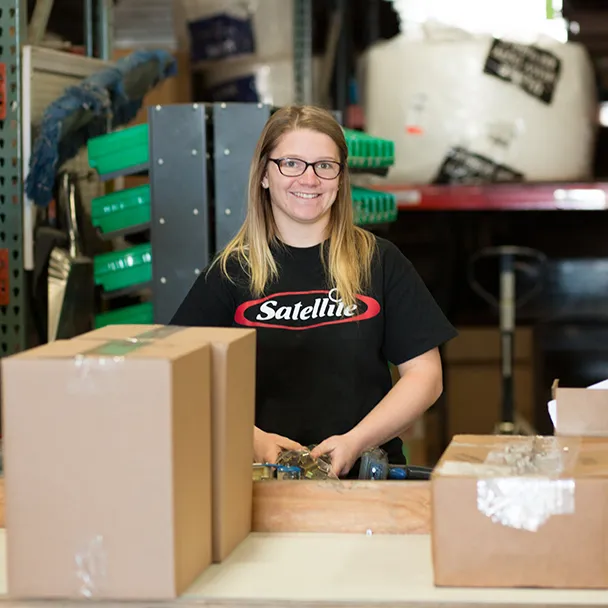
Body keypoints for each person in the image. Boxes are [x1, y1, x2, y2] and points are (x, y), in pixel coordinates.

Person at [170, 104, 457, 477]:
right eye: (291, 163)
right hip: (262, 483)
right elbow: (179, 379)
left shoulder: (378, 261)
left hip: (366, 482)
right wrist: (251, 439)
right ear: (264, 175)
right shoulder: (231, 274)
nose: (309, 179)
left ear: (340, 178)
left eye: (324, 165)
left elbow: (425, 376)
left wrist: (356, 442)